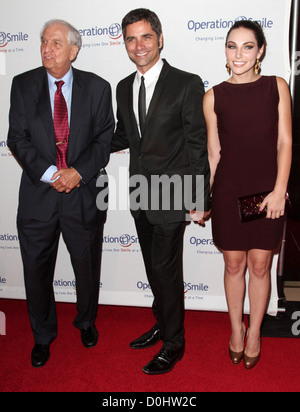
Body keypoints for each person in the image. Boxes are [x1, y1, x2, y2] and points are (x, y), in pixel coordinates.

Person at [7, 20, 114, 368]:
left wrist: (76, 173)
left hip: (83, 194)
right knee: (36, 270)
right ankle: (42, 336)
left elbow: (104, 139)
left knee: (86, 267)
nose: (46, 48)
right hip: (39, 195)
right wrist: (54, 174)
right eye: (43, 42)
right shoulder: (22, 85)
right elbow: (18, 139)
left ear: (73, 50)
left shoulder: (98, 88)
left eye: (55, 42)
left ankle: (86, 321)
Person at [111, 8, 210, 375]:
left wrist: (201, 199)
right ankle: (162, 323)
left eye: (145, 37)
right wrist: (79, 143)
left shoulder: (186, 83)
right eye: (131, 39)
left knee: (166, 272)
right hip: (140, 194)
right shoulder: (124, 86)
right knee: (154, 271)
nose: (138, 46)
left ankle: (174, 344)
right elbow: (124, 135)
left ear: (160, 38)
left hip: (173, 195)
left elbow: (197, 144)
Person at [203, 20, 292, 369]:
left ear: (261, 51)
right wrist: (202, 198)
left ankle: (255, 331)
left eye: (247, 46)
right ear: (224, 51)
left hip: (266, 192)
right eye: (231, 46)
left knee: (259, 265)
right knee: (233, 263)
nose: (238, 54)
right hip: (228, 191)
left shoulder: (276, 87)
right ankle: (235, 331)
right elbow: (214, 153)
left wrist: (279, 189)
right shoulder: (213, 96)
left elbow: (285, 142)